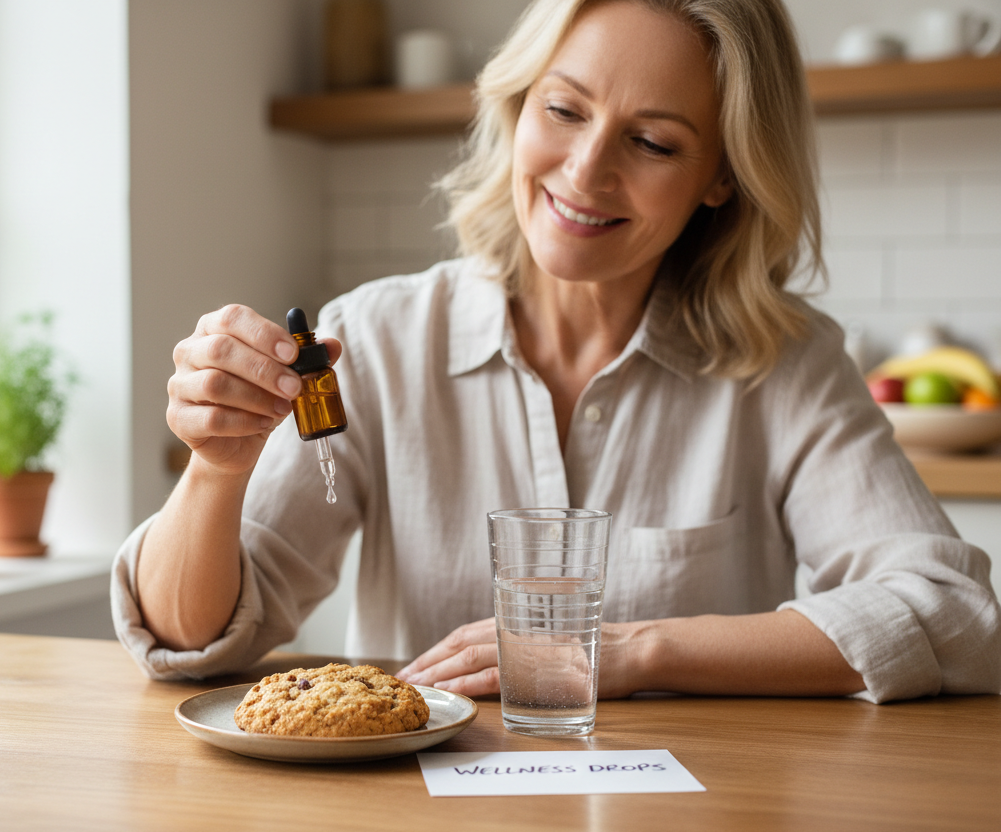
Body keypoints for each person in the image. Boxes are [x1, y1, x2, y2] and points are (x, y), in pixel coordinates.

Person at [112, 0, 1000, 703]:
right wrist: (218, 470)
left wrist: (633, 649)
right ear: (516, 104)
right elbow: (194, 642)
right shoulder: (378, 340)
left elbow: (952, 612)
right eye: (564, 109)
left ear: (723, 175)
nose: (583, 171)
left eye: (652, 142)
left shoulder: (786, 364)